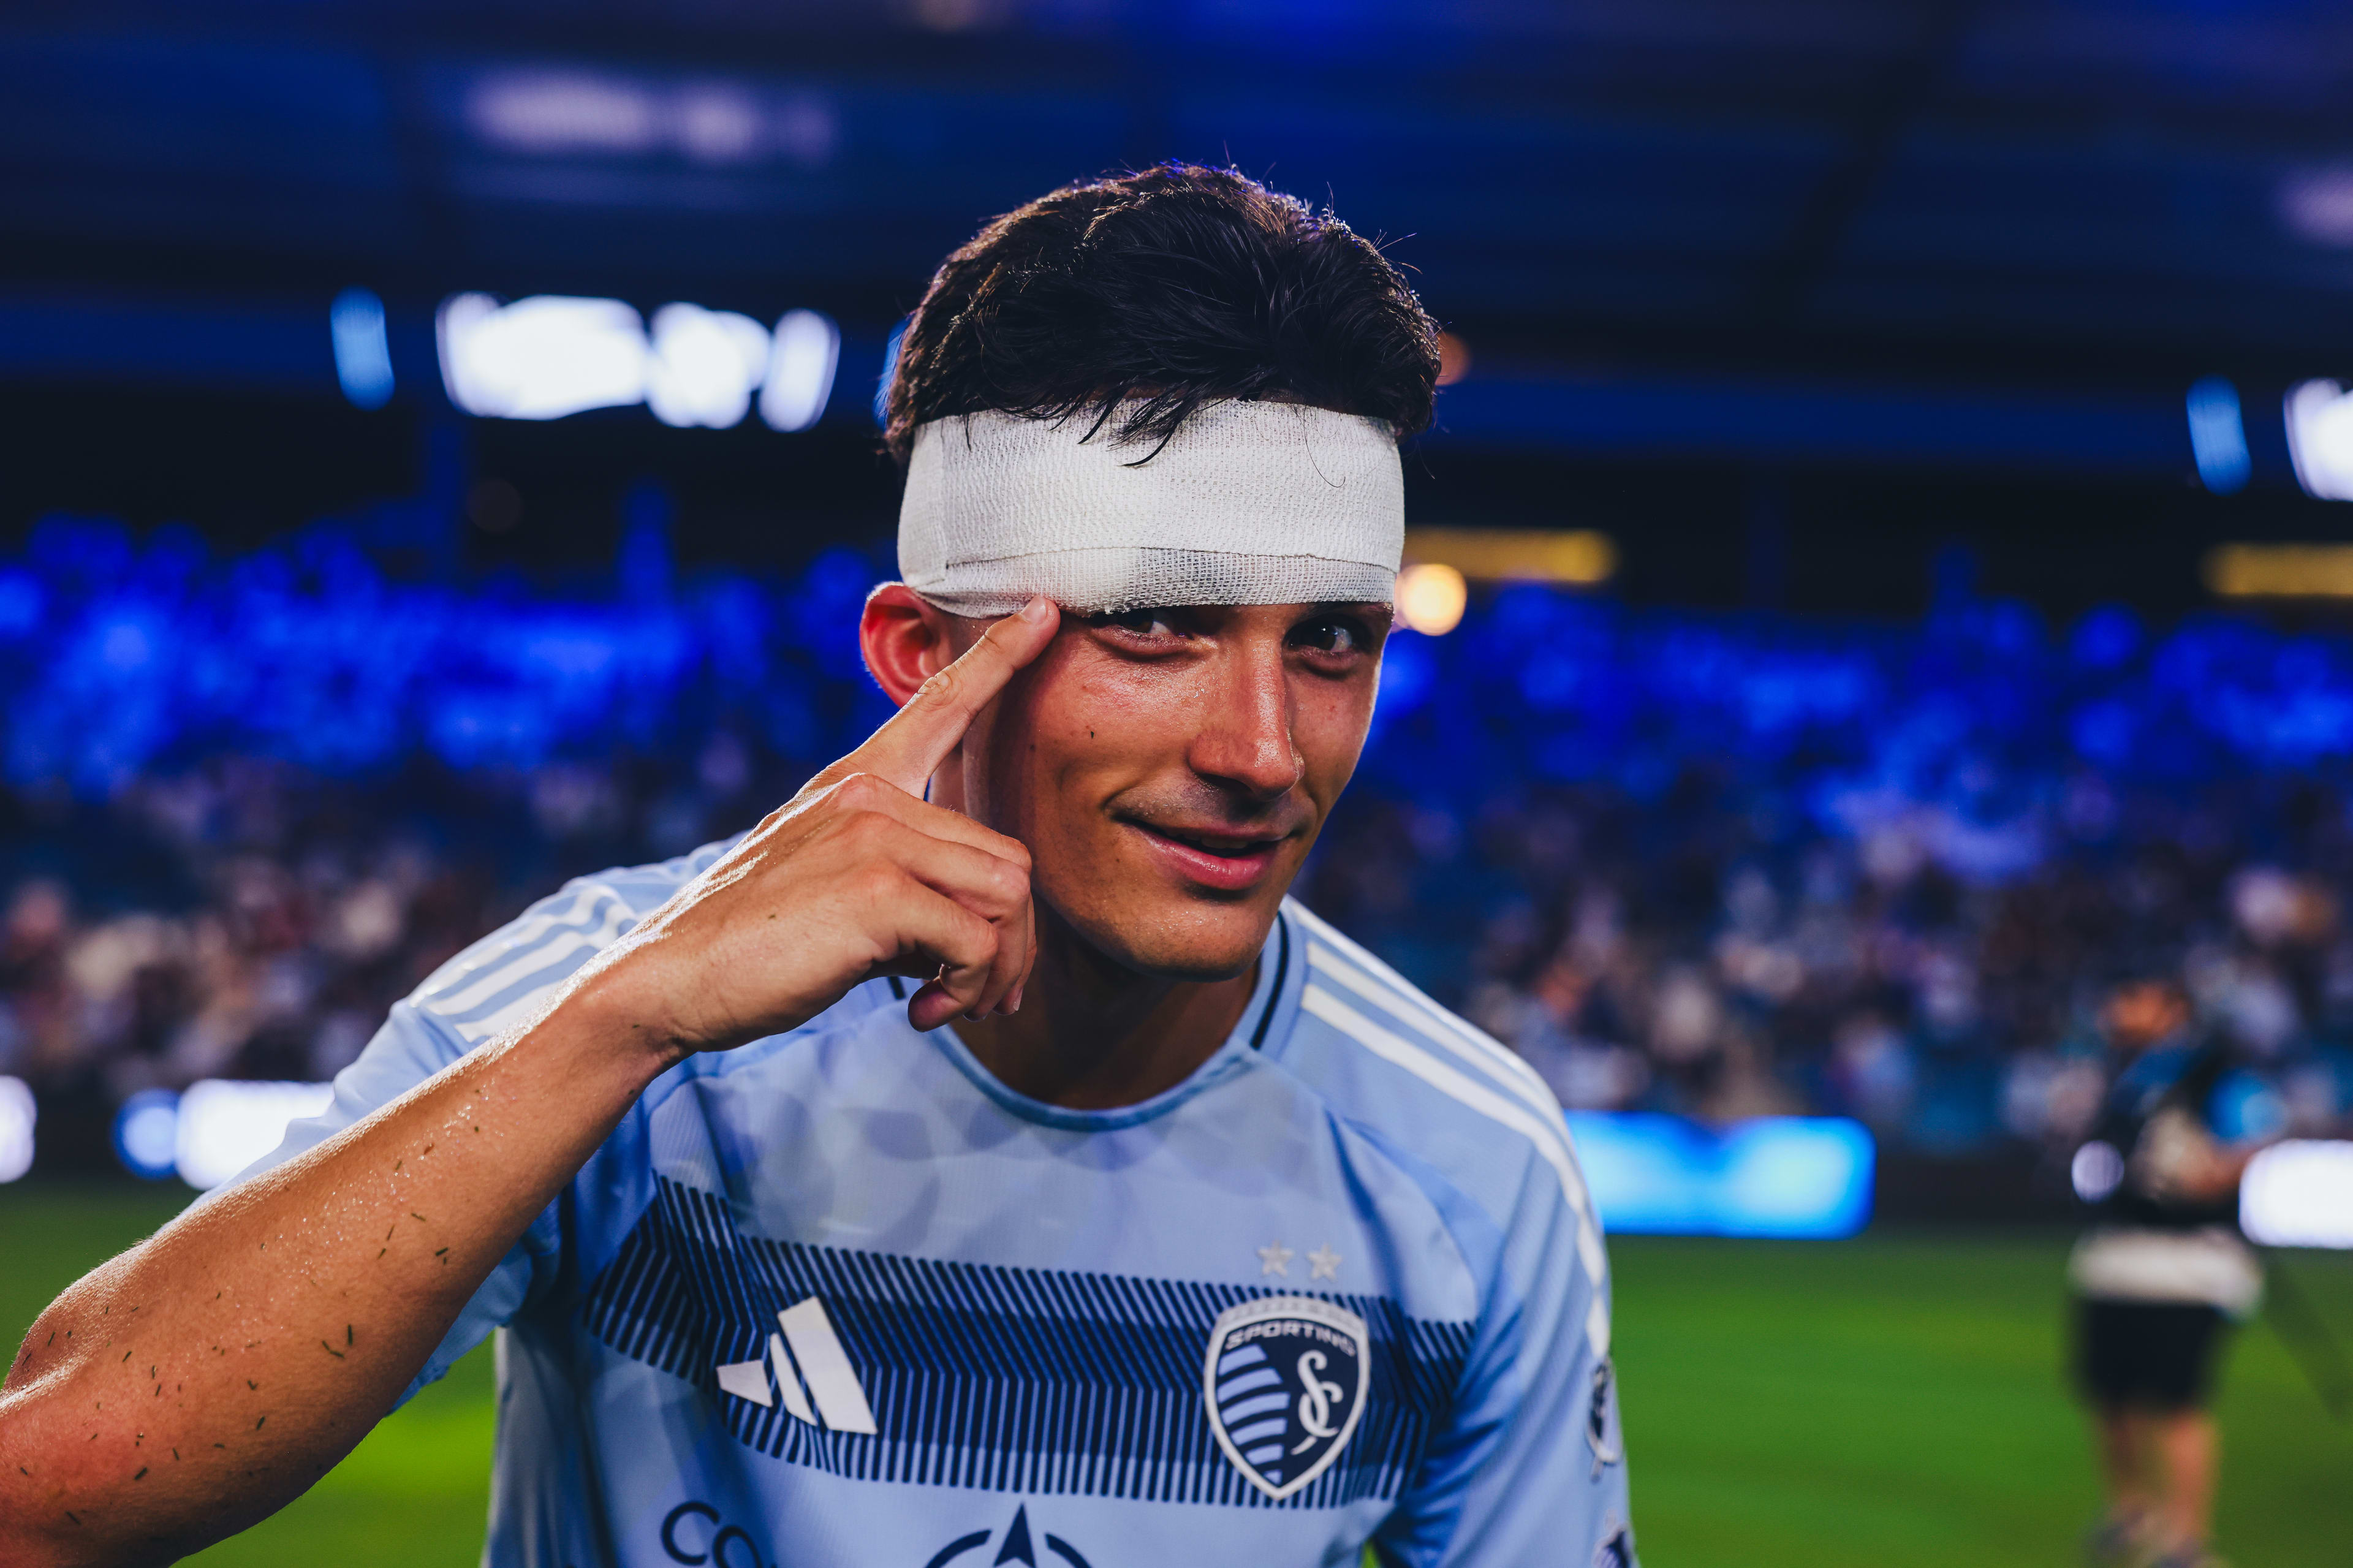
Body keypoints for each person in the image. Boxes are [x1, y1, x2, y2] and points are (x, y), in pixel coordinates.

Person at [1, 165, 1631, 1568]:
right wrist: (622, 1024)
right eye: (1156, 625)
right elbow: (51, 1490)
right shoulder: (606, 991)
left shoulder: (1473, 1165)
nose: (1266, 748)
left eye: (1332, 640)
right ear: (924, 654)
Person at [2068, 971, 2275, 1568]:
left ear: (2172, 1007)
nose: (2118, 1008)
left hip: (2188, 1262)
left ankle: (2187, 1539)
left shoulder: (2213, 1068)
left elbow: (2257, 1130)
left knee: (2178, 1399)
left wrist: (2217, 1170)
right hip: (2117, 1253)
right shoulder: (2118, 1071)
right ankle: (2133, 1508)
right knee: (2110, 1394)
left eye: (2134, 997)